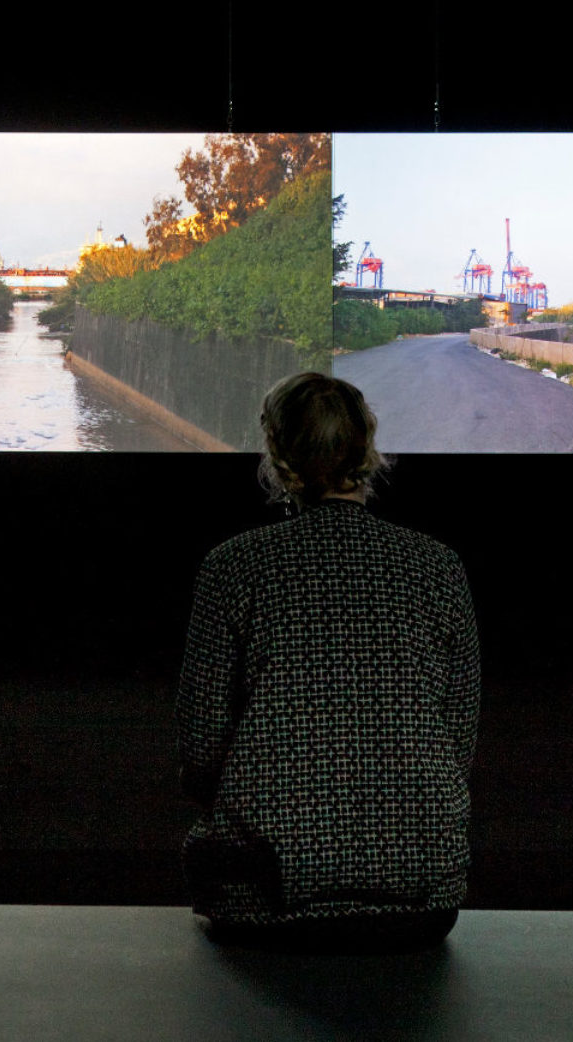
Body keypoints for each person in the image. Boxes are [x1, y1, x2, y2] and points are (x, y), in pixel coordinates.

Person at [177, 372, 480, 951]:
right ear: (368, 448)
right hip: (420, 901)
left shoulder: (233, 568)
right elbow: (457, 746)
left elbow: (200, 754)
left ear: (277, 452)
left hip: (260, 901)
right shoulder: (438, 566)